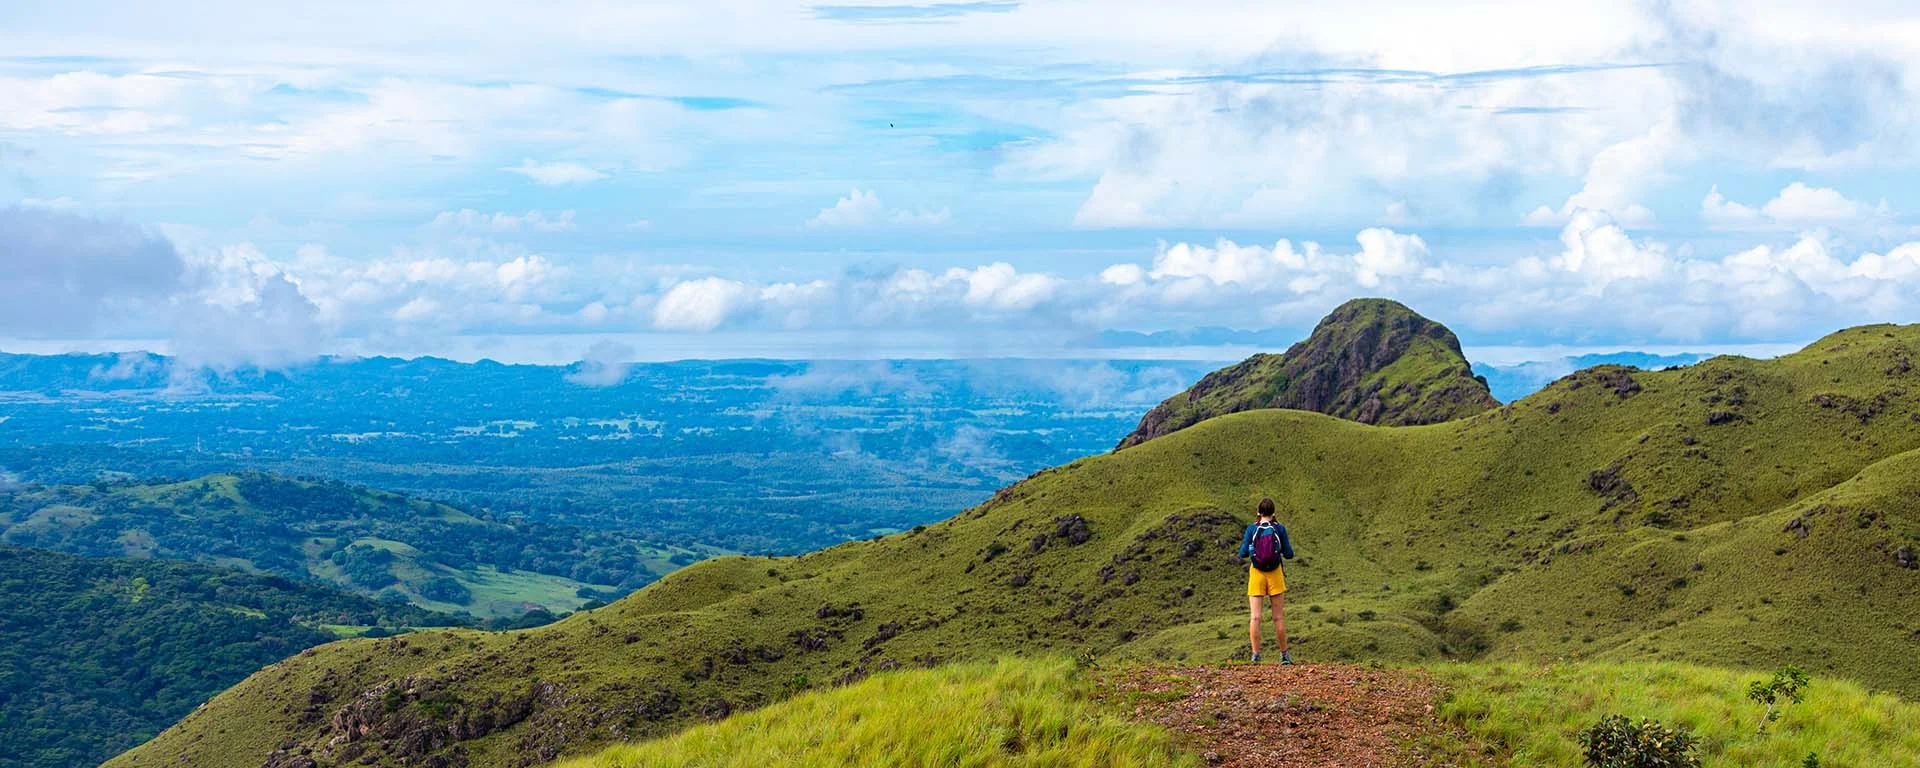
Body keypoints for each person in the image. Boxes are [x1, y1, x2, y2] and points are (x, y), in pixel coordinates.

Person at [1237, 497, 1295, 664]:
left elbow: (1242, 554)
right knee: (1278, 617)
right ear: (1273, 512)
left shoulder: (1251, 529)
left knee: (1255, 617)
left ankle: (1256, 655)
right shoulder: (1280, 529)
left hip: (1256, 574)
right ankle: (1284, 655)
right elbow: (1289, 554)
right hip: (1275, 574)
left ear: (1259, 512)